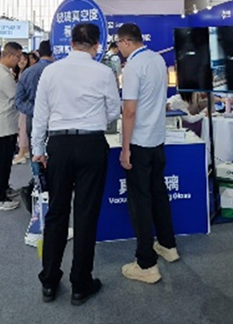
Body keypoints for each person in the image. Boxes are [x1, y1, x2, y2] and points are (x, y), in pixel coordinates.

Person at [32, 24, 120, 305]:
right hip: (92, 144)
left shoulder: (51, 71)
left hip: (58, 144)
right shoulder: (104, 72)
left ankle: (49, 281)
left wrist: (37, 149)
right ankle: (80, 284)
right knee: (86, 214)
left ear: (70, 43)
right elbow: (113, 111)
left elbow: (40, 114)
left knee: (57, 212)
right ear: (97, 45)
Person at [118, 23, 179, 284]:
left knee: (139, 202)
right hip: (157, 140)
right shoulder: (157, 60)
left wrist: (125, 148)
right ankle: (167, 245)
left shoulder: (133, 66)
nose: (118, 50)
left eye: (118, 44)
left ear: (126, 41)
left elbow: (129, 110)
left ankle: (146, 263)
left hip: (140, 143)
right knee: (159, 194)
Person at [15, 40, 54, 210]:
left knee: (36, 154)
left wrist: (36, 111)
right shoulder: (58, 71)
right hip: (57, 120)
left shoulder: (28, 72)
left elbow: (18, 101)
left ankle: (39, 190)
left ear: (39, 53)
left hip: (33, 119)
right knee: (55, 155)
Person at [0, 42, 23, 211]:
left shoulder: (0, 72)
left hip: (2, 123)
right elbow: (17, 97)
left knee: (5, 161)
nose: (19, 60)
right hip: (4, 125)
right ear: (10, 55)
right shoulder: (3, 75)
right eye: (18, 56)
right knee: (2, 163)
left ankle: (4, 189)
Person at [13, 52, 31, 164]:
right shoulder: (18, 73)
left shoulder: (26, 73)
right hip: (21, 105)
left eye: (24, 59)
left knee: (23, 129)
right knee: (21, 128)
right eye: (20, 59)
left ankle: (21, 153)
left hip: (25, 104)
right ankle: (26, 150)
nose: (22, 61)